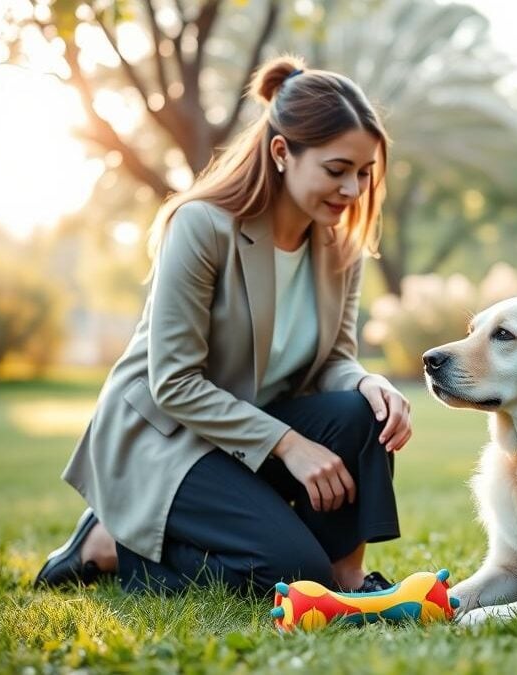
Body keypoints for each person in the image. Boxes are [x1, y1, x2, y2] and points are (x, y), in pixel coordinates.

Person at [35, 55, 412, 595]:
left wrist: (367, 381)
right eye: (336, 170)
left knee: (362, 410)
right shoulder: (202, 227)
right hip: (166, 436)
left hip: (249, 427)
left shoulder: (340, 250)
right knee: (294, 577)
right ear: (282, 152)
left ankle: (344, 574)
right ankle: (110, 544)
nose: (352, 191)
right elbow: (175, 383)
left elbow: (333, 360)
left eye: (363, 174)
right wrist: (287, 444)